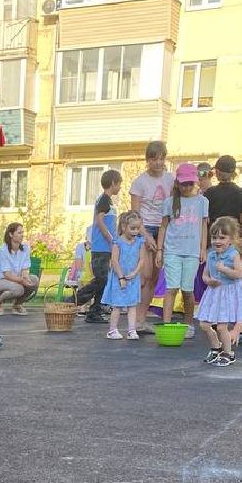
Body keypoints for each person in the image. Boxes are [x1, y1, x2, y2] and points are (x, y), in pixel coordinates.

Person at [159, 163, 208, 335]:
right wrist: (160, 250)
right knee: (171, 288)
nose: (187, 187)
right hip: (172, 250)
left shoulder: (202, 201)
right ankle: (166, 324)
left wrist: (203, 249)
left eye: (190, 183)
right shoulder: (169, 202)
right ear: (177, 184)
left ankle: (188, 324)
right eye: (183, 184)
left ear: (195, 182)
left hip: (192, 252)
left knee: (188, 290)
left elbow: (203, 226)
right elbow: (163, 227)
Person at [198, 217, 242, 366]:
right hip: (214, 292)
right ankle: (216, 348)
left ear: (231, 239)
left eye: (222, 238)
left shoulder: (233, 255)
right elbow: (205, 274)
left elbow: (239, 274)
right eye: (214, 238)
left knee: (221, 327)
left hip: (228, 292)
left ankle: (228, 353)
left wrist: (224, 270)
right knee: (204, 324)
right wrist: (208, 280)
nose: (217, 241)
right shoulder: (212, 255)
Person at [129, 140, 170, 316]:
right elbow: (135, 214)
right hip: (144, 229)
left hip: (163, 229)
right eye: (154, 159)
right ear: (148, 160)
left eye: (161, 159)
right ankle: (131, 313)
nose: (158, 163)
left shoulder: (171, 179)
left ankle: (141, 318)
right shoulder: (140, 182)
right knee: (144, 275)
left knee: (154, 276)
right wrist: (145, 235)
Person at [83, 168, 120, 322]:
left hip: (106, 248)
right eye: (119, 184)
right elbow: (100, 221)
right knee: (100, 280)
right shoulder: (104, 199)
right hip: (101, 248)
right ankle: (74, 300)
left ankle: (95, 311)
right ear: (113, 183)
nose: (120, 188)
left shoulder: (108, 201)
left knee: (103, 280)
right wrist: (111, 240)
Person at [103, 211, 146, 340]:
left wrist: (135, 272)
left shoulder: (139, 242)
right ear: (123, 227)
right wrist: (121, 277)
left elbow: (142, 260)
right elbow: (115, 261)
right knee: (117, 305)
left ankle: (131, 330)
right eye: (132, 228)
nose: (135, 231)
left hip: (133, 278)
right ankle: (112, 330)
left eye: (138, 229)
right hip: (119, 278)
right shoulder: (118, 242)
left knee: (132, 305)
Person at [0, 222, 38, 314]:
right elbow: (7, 275)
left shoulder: (25, 248)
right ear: (11, 234)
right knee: (19, 289)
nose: (22, 235)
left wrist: (26, 278)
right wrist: (22, 281)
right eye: (19, 233)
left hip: (16, 280)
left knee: (34, 280)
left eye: (23, 233)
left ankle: (17, 304)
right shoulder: (3, 250)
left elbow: (24, 269)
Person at [203, 155, 242, 238]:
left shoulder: (210, 192)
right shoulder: (241, 192)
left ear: (217, 172)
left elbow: (205, 219)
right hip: (233, 237)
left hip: (214, 237)